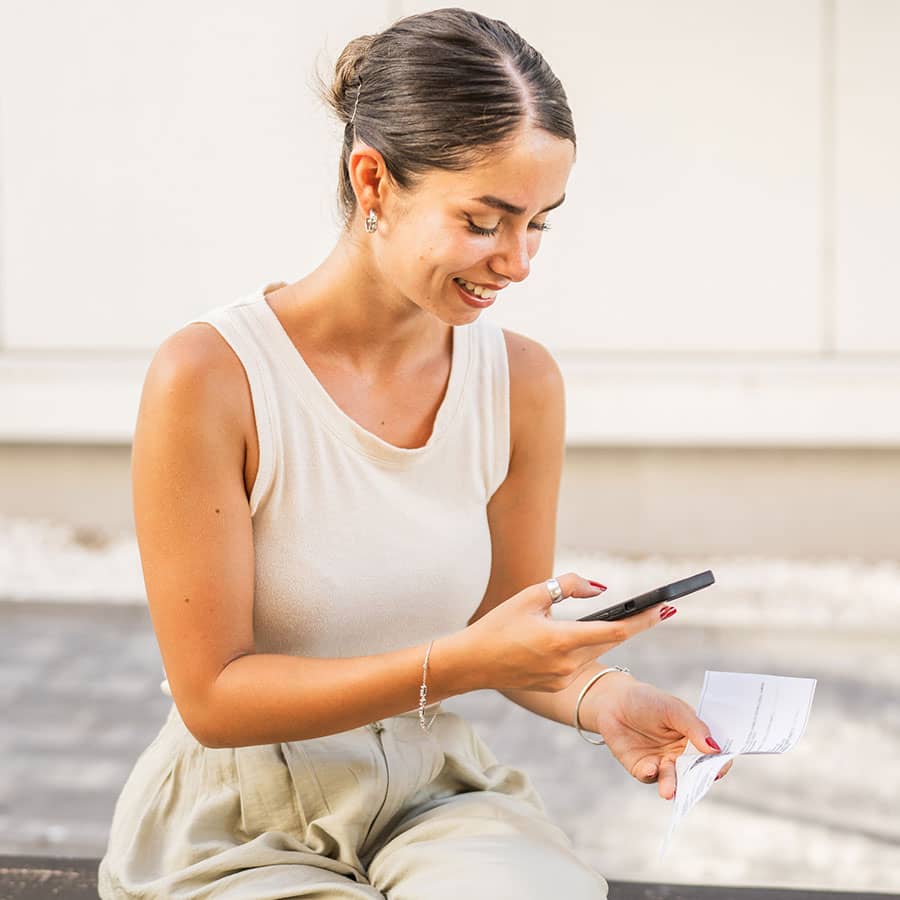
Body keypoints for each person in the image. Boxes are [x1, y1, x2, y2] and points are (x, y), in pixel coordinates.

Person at [97, 8, 731, 898]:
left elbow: (508, 635)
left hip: (433, 795)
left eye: (541, 223)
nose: (517, 262)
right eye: (484, 220)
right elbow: (212, 699)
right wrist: (464, 663)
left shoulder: (520, 383)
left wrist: (605, 698)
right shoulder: (211, 376)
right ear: (374, 182)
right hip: (236, 823)